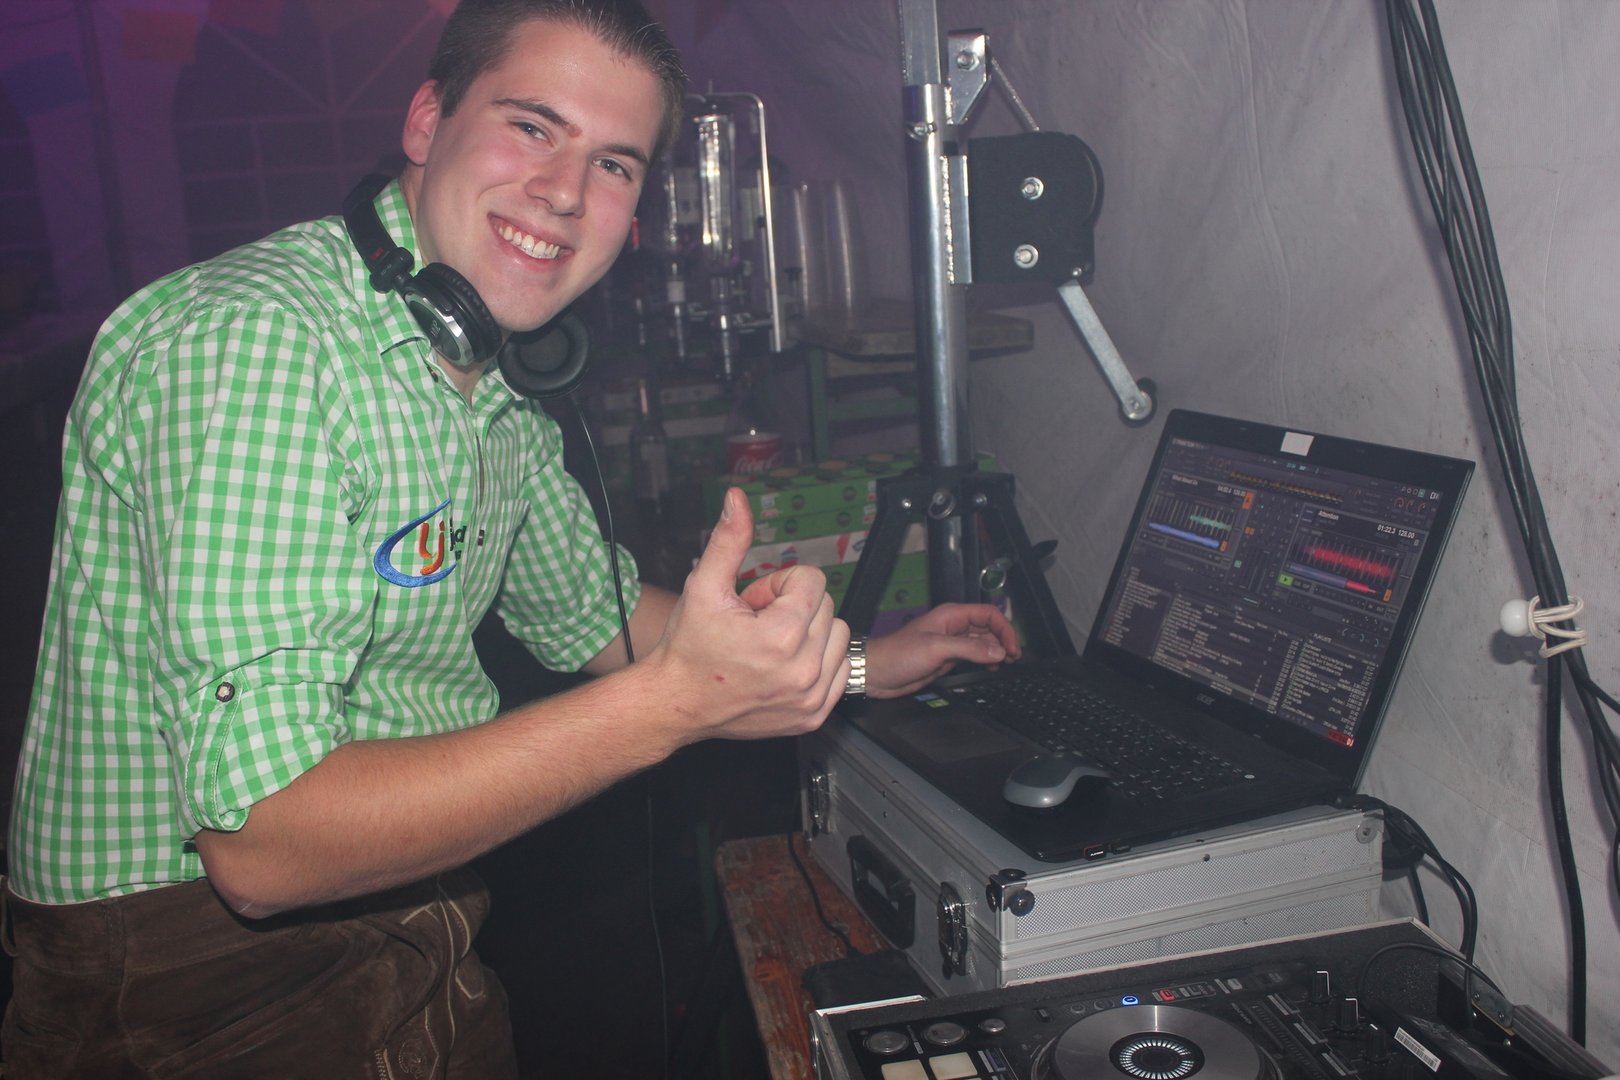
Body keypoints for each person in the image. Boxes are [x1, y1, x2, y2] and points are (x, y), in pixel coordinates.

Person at [0, 1, 1022, 1076]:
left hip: (407, 910)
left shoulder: (491, 383)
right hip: (188, 980)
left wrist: (859, 662)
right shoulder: (257, 345)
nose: (566, 192)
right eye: (532, 126)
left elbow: (602, 619)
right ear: (426, 120)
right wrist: (672, 708)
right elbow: (264, 843)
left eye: (614, 163)